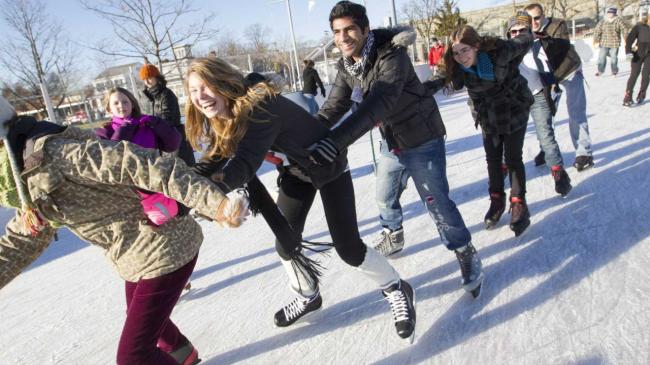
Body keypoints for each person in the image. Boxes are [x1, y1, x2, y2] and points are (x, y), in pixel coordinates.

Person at [0, 96, 249, 365]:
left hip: (164, 247)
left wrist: (215, 204)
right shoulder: (25, 173)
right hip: (134, 253)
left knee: (133, 358)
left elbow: (146, 166)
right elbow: (25, 236)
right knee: (143, 318)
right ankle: (183, 355)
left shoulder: (55, 154)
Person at [184, 56, 417, 342]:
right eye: (193, 91)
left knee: (349, 248)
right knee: (286, 244)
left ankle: (395, 287)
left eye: (205, 87)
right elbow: (216, 156)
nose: (200, 97)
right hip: (296, 170)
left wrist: (207, 196)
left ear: (223, 83)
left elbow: (244, 163)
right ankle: (308, 296)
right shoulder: (228, 113)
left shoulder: (259, 107)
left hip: (327, 166)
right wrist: (179, 185)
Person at [310, 1, 483, 297]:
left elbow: (379, 103)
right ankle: (394, 235)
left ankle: (464, 250)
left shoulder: (393, 55)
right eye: (337, 32)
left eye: (350, 29)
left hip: (421, 137)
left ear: (365, 29)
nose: (343, 37)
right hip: (392, 139)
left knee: (437, 203)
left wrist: (335, 142)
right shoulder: (347, 65)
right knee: (384, 195)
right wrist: (302, 135)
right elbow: (332, 107)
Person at [437, 23, 533, 236]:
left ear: (477, 46)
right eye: (456, 52)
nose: (461, 57)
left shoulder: (500, 51)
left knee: (513, 157)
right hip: (489, 115)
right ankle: (496, 200)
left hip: (515, 107)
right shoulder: (458, 69)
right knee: (492, 159)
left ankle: (518, 203)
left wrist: (529, 34)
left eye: (465, 50)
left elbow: (524, 42)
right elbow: (437, 80)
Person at [507, 14, 572, 197]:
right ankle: (503, 170)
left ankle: (559, 173)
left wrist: (542, 41)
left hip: (538, 97)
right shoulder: (505, 51)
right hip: (516, 101)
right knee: (509, 140)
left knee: (546, 136)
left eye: (522, 30)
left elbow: (561, 49)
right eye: (514, 31)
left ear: (529, 31)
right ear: (508, 33)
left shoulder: (538, 45)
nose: (518, 34)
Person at [97, 87, 182, 225]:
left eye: (125, 102)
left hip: (155, 187)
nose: (121, 106)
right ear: (108, 108)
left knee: (168, 222)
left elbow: (173, 144)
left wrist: (158, 123)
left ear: (132, 103)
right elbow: (111, 157)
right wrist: (126, 127)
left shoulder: (146, 125)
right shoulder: (104, 132)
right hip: (127, 194)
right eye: (116, 103)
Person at [525, 3, 595, 171]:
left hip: (569, 71)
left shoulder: (558, 24)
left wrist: (536, 37)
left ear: (544, 16)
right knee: (545, 114)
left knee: (576, 111)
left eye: (537, 18)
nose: (533, 22)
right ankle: (547, 149)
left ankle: (583, 153)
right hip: (547, 78)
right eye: (529, 19)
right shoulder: (525, 32)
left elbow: (556, 49)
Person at [140, 62, 196, 167]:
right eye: (144, 79)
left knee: (182, 169)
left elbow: (168, 118)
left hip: (173, 137)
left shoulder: (166, 94)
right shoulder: (144, 97)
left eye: (150, 78)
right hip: (156, 141)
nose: (147, 81)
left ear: (157, 77)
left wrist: (151, 123)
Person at [593, 7, 628, 77]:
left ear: (614, 14)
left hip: (615, 43)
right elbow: (597, 30)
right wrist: (596, 40)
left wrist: (626, 39)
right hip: (604, 43)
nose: (609, 14)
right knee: (601, 57)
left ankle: (614, 71)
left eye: (611, 13)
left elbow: (625, 30)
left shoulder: (618, 21)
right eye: (608, 12)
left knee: (614, 58)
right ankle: (600, 71)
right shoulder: (603, 21)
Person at [623, 16, 650, 106]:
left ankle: (641, 95)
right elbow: (630, 40)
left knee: (646, 75)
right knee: (634, 74)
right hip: (637, 54)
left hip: (649, 56)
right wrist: (628, 52)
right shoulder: (639, 27)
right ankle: (628, 96)